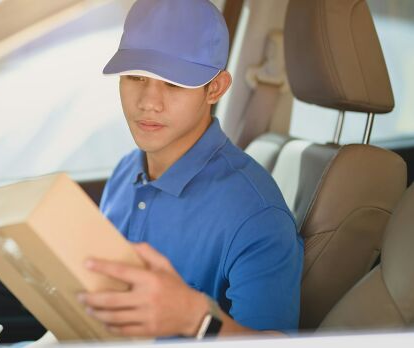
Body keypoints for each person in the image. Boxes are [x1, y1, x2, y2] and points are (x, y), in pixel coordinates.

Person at [76, 0, 304, 338]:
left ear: (215, 88)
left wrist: (196, 320)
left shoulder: (256, 213)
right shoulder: (125, 173)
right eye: (136, 76)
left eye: (174, 82)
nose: (148, 102)